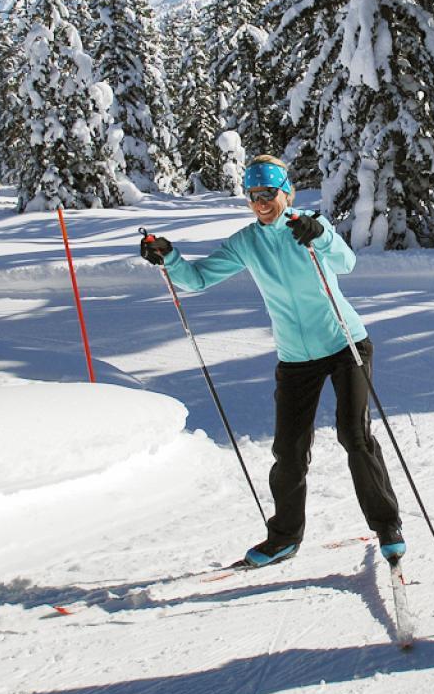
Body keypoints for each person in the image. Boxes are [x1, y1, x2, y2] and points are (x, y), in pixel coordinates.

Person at [139, 156, 406, 568]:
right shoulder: (247, 242)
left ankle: (387, 526)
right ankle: (283, 538)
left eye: (268, 194)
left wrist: (321, 236)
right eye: (253, 196)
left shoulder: (308, 225)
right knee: (289, 451)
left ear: (287, 192)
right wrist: (169, 257)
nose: (261, 202)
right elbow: (197, 280)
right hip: (296, 357)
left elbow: (346, 263)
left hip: (344, 342)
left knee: (354, 435)